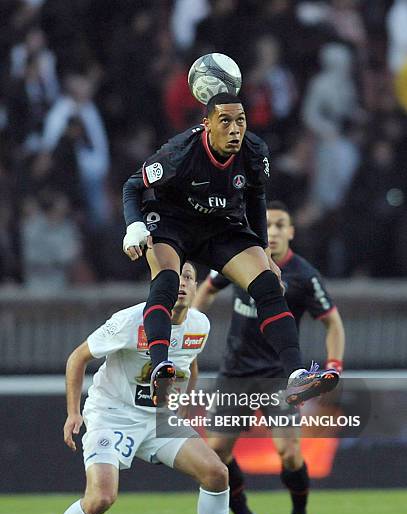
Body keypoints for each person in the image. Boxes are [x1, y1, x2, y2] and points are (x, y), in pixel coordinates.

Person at [13, 262, 258, 514]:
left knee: (217, 473)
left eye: (188, 278)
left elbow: (190, 362)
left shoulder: (199, 323)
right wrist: (73, 413)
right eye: (174, 278)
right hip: (111, 415)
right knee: (101, 498)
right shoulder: (132, 320)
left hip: (158, 420)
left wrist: (182, 407)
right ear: (159, 284)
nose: (182, 284)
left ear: (197, 285)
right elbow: (77, 357)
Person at [122, 91, 339, 406]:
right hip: (174, 224)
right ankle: (160, 367)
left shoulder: (253, 151)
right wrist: (134, 227)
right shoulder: (180, 153)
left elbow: (255, 196)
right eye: (225, 121)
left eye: (240, 120)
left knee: (268, 284)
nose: (235, 129)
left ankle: (296, 376)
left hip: (221, 227)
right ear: (207, 124)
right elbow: (133, 186)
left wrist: (263, 252)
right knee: (168, 281)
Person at [193, 202, 345, 514]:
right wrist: (189, 333)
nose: (273, 231)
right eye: (268, 224)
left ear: (291, 232)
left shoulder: (304, 276)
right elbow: (208, 288)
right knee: (216, 454)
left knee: (289, 454)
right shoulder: (240, 259)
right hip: (236, 374)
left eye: (280, 225)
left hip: (280, 377)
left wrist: (334, 364)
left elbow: (333, 322)